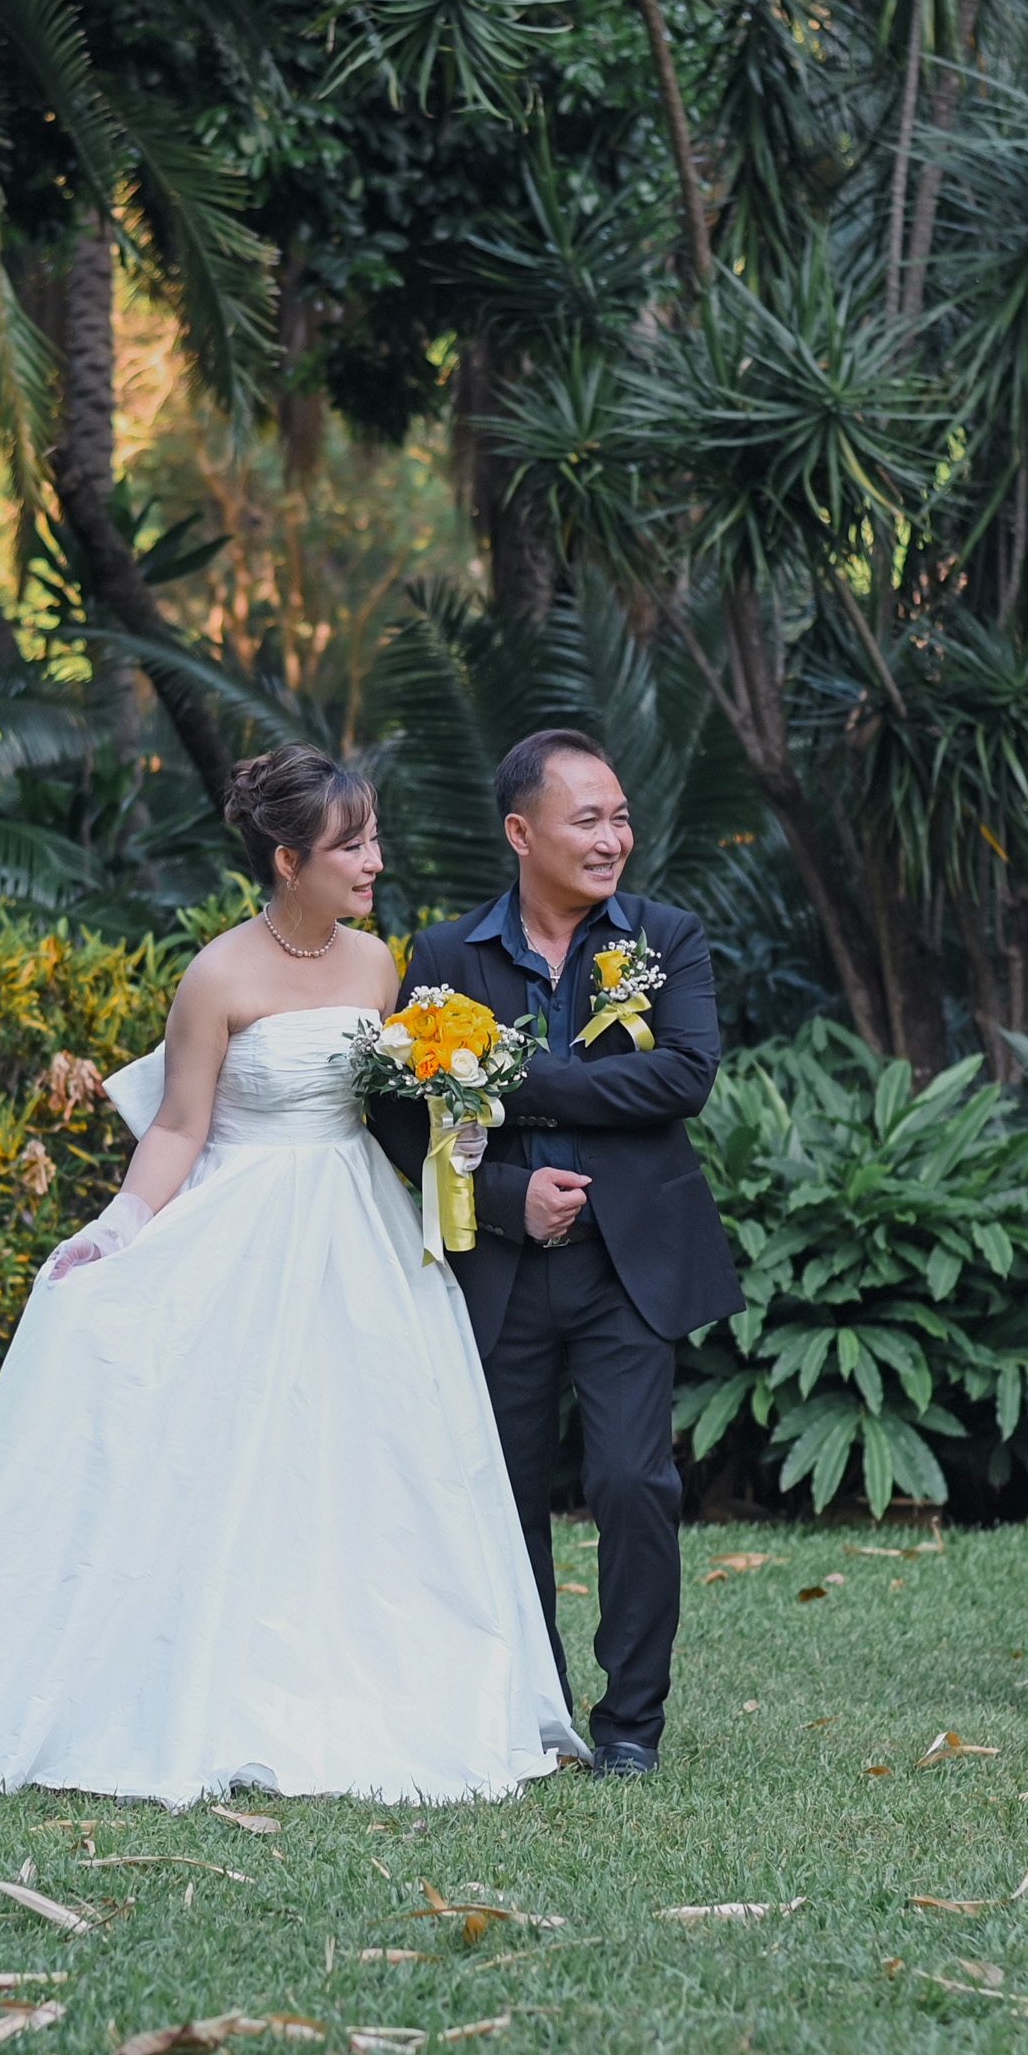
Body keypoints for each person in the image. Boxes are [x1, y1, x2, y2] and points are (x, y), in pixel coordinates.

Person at [0, 745, 582, 1806]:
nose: (374, 862)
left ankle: (369, 1682)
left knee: (367, 1460)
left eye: (373, 840)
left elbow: (393, 1112)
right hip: (243, 1229)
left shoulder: (378, 965)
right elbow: (177, 1126)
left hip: (360, 1237)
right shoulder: (216, 975)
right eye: (352, 846)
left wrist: (459, 1133)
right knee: (227, 1462)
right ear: (289, 860)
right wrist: (116, 1227)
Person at [371, 732, 742, 1777]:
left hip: (627, 1262)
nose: (614, 837)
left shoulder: (665, 936)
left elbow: (682, 1076)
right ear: (521, 831)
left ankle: (631, 1723)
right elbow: (398, 1113)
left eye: (620, 817)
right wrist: (505, 1198)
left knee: (634, 1482)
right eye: (589, 819)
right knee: (504, 1495)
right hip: (498, 1264)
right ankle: (532, 1708)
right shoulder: (446, 956)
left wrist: (511, 1082)